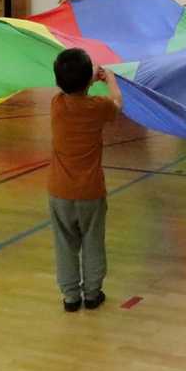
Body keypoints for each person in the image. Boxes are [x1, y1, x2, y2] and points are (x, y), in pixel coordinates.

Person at [48, 48, 122, 312]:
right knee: (93, 241)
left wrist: (88, 78)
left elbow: (73, 90)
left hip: (59, 192)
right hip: (91, 191)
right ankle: (92, 293)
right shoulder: (98, 107)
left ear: (59, 81)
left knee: (64, 244)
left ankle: (70, 297)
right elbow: (116, 103)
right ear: (87, 79)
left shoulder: (56, 105)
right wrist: (109, 80)